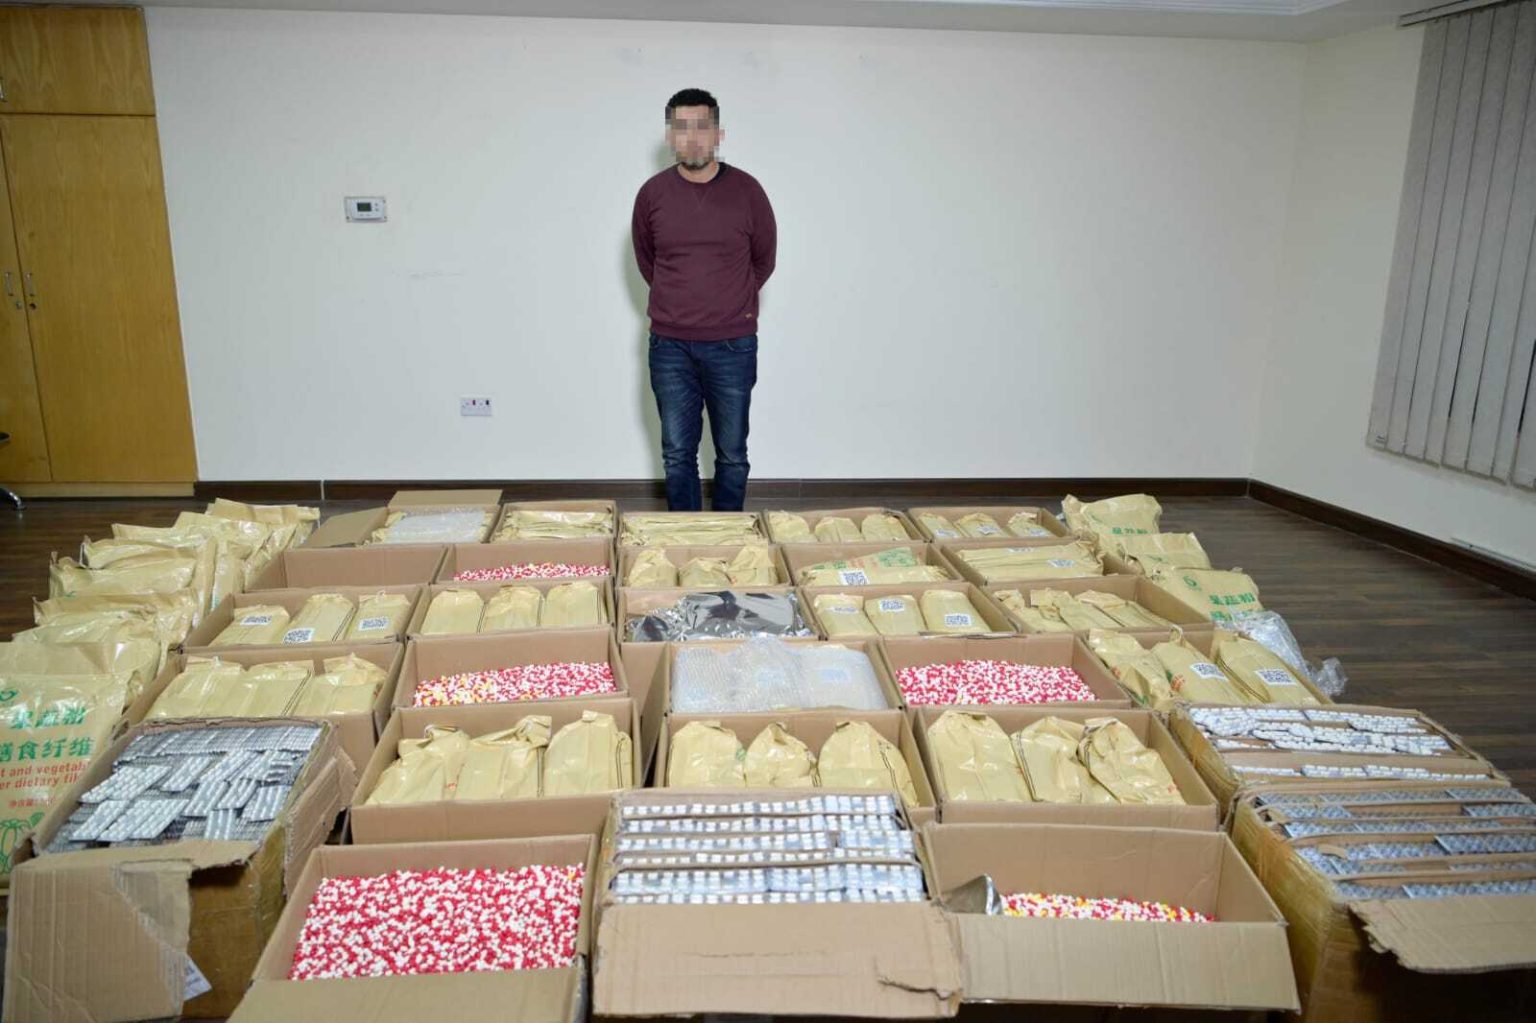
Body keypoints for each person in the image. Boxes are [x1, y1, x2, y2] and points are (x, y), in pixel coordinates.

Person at [631, 88, 777, 512]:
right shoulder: (652, 194)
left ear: (718, 134)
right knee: (677, 454)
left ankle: (728, 538)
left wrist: (731, 302)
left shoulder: (748, 191)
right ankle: (686, 538)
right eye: (682, 127)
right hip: (669, 346)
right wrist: (679, 302)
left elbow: (764, 259)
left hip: (733, 345)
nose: (692, 137)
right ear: (669, 136)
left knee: (732, 454)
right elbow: (648, 260)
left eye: (702, 127)